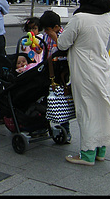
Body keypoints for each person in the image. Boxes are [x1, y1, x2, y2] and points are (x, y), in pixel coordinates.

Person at [57, 0, 110, 166]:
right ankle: (101, 150)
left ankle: (87, 154)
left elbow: (63, 44)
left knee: (87, 109)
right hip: (103, 66)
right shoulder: (107, 18)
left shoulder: (80, 18)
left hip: (84, 68)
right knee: (103, 107)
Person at [39, 10, 71, 143]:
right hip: (48, 70)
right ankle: (42, 125)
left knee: (61, 101)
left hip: (61, 72)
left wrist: (56, 38)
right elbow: (42, 49)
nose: (46, 32)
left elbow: (66, 48)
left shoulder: (63, 35)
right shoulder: (45, 36)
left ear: (57, 27)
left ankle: (65, 130)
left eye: (48, 29)